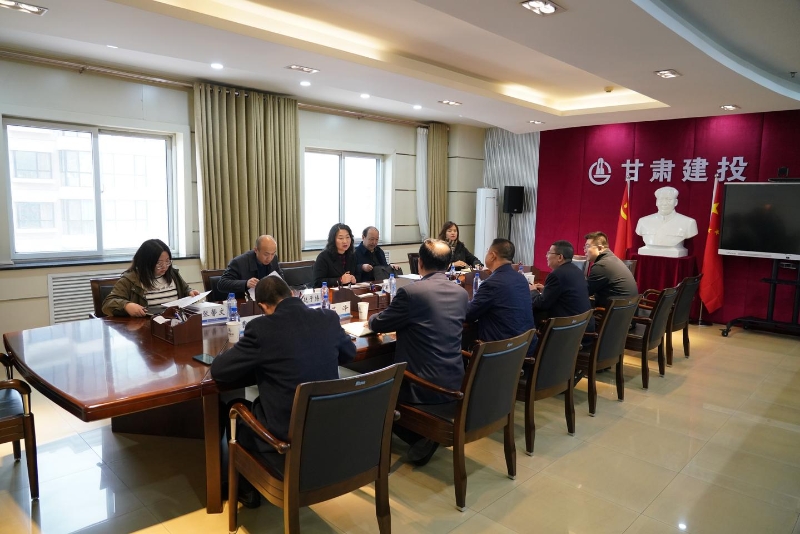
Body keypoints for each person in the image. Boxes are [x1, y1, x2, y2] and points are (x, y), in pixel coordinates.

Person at [210, 276, 356, 507]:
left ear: (263, 306)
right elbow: (349, 354)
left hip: (283, 438)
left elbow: (219, 370)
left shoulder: (261, 329)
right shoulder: (328, 318)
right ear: (292, 294)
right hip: (327, 428)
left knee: (234, 409)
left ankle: (247, 490)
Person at [369, 239, 468, 465]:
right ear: (448, 264)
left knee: (375, 391)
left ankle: (423, 435)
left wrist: (373, 317)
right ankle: (426, 435)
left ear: (419, 263)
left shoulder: (412, 293)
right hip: (455, 380)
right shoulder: (460, 293)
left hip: (421, 386)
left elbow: (379, 324)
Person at [465, 238, 535, 355]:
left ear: (492, 256)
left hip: (501, 351)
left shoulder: (492, 283)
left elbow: (469, 314)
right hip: (524, 346)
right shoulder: (521, 279)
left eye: (487, 251)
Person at [102, 239, 199, 317]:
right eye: (159, 263)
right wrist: (126, 306)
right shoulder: (130, 280)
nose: (165, 267)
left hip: (175, 323)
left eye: (167, 261)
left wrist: (190, 292)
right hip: (146, 326)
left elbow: (185, 289)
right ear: (146, 262)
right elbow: (107, 304)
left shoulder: (173, 274)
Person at [531, 240, 594, 346]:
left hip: (569, 332)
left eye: (549, 253)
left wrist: (532, 290)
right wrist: (546, 289)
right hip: (584, 327)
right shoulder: (577, 271)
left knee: (535, 313)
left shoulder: (556, 274)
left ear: (560, 257)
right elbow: (565, 293)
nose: (546, 256)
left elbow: (542, 303)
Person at [635, 186, 698, 257]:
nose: (664, 203)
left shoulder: (688, 223)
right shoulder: (643, 221)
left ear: (676, 202)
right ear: (656, 202)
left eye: (669, 199)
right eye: (661, 199)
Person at [584, 231, 639, 309]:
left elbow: (585, 292)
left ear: (599, 248)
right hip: (628, 310)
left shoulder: (601, 265)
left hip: (613, 313)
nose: (584, 250)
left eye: (587, 246)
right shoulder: (611, 259)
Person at [217, 235, 284, 296]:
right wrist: (246, 283)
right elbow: (222, 284)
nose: (269, 258)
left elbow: (280, 278)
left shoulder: (274, 259)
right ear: (256, 250)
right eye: (266, 254)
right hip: (244, 301)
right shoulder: (239, 262)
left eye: (273, 254)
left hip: (267, 299)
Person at [313, 223, 358, 287]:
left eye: (347, 237)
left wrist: (354, 279)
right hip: (329, 292)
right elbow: (317, 282)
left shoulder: (352, 255)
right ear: (333, 240)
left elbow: (357, 275)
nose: (345, 241)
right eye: (341, 238)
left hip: (347, 291)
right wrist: (340, 280)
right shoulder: (323, 257)